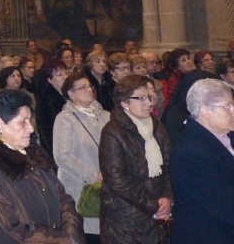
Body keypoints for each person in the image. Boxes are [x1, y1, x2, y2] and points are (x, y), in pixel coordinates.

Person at [0, 89, 85, 244]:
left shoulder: (35, 155)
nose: (31, 128)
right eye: (22, 122)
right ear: (0, 124)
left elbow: (64, 200)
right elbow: (6, 232)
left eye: (30, 120)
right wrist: (62, 239)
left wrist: (71, 233)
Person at [99, 74, 172, 244]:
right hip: (126, 218)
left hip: (157, 216)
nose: (149, 102)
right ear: (125, 103)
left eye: (149, 97)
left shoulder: (156, 125)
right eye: (140, 98)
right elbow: (117, 179)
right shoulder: (113, 131)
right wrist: (153, 204)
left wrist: (167, 197)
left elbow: (169, 164)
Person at [170, 79, 234, 244]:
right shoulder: (192, 150)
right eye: (228, 107)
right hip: (209, 235)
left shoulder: (226, 136)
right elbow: (225, 205)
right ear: (205, 111)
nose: (233, 111)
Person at [54, 71, 110, 244]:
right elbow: (62, 156)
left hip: (109, 186)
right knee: (88, 234)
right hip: (80, 188)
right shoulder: (65, 119)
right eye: (82, 87)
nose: (89, 90)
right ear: (70, 93)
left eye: (90, 86)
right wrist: (93, 175)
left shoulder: (106, 115)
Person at [36, 59, 68, 157]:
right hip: (57, 148)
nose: (65, 77)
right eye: (60, 75)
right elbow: (45, 130)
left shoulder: (70, 93)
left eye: (66, 73)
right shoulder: (45, 98)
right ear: (50, 80)